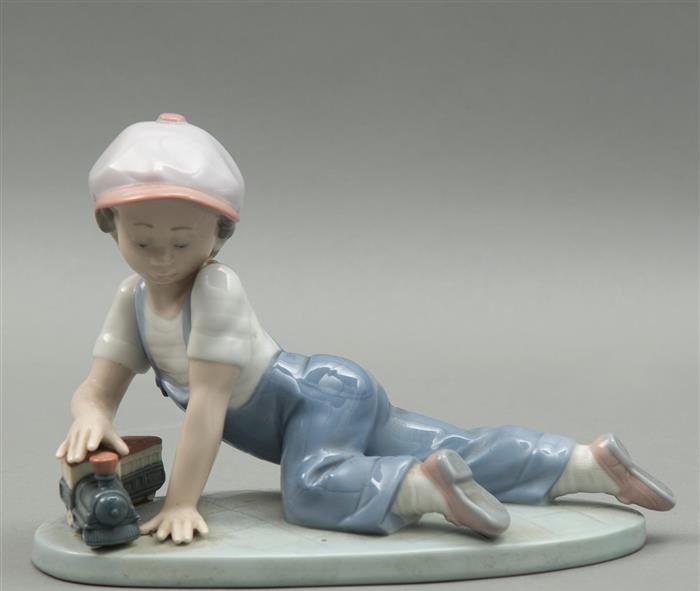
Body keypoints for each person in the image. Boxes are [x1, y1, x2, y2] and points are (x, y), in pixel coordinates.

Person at [56, 114, 676, 546]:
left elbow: (207, 409)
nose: (163, 258)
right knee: (457, 444)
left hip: (315, 402)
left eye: (182, 241)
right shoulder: (134, 298)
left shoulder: (215, 290)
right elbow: (97, 387)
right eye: (143, 241)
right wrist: (92, 412)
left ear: (218, 236)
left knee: (309, 490)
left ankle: (421, 487)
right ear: (110, 226)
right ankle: (588, 464)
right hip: (334, 391)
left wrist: (182, 502)